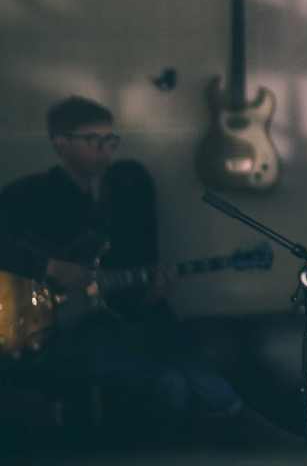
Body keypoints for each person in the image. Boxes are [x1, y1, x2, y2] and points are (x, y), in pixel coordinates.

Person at [0, 96, 252, 446]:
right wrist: (48, 266)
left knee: (187, 368)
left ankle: (244, 425)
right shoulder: (31, 194)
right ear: (60, 144)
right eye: (93, 140)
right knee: (168, 382)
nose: (105, 149)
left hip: (121, 319)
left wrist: (151, 292)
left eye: (110, 140)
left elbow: (135, 271)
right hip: (53, 328)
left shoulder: (127, 189)